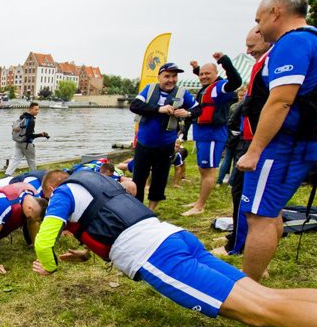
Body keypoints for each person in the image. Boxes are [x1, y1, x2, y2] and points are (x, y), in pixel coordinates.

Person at [32, 168, 317, 327]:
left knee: (262, 312)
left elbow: (44, 241)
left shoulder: (61, 194)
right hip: (174, 236)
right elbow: (110, 216)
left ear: (49, 191)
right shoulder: (96, 180)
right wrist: (86, 253)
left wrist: (49, 266)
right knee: (267, 296)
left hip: (157, 255)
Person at [235, 0, 317, 281]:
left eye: (259, 19)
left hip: (283, 146)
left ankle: (249, 287)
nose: (258, 27)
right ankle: (261, 268)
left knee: (257, 216)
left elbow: (281, 100)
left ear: (276, 12)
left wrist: (255, 150)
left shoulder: (293, 43)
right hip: (305, 144)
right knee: (270, 212)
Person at [214, 27, 273, 257]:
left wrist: (255, 147)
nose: (248, 52)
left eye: (252, 47)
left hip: (255, 143)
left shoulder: (273, 63)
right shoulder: (264, 63)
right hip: (248, 140)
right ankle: (237, 235)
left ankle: (238, 246)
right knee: (240, 192)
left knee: (248, 197)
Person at [129, 63, 200, 211]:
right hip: (144, 143)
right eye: (167, 76)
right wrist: (158, 109)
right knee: (139, 178)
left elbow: (198, 108)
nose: (171, 80)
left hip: (165, 145)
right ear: (159, 77)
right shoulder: (149, 89)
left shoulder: (182, 94)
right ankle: (137, 209)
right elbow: (134, 106)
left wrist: (188, 113)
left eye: (174, 76)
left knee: (159, 179)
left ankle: (151, 210)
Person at [182, 53, 242, 216]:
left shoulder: (222, 87)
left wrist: (224, 61)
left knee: (209, 170)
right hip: (202, 133)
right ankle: (199, 200)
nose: (203, 76)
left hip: (213, 134)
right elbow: (204, 80)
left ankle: (200, 206)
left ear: (216, 74)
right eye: (201, 74)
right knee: (203, 169)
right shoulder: (206, 87)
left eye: (207, 73)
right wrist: (196, 69)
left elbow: (236, 81)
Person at [5, 102, 49, 176]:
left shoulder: (22, 116)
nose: (37, 111)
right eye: (36, 110)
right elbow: (29, 135)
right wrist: (41, 135)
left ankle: (7, 174)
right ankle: (34, 176)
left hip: (18, 142)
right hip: (27, 144)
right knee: (31, 161)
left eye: (38, 110)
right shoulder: (31, 120)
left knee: (15, 159)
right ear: (30, 109)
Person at [66, 158, 137, 196]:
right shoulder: (87, 172)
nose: (110, 177)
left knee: (128, 182)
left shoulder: (115, 173)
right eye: (109, 176)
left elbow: (121, 178)